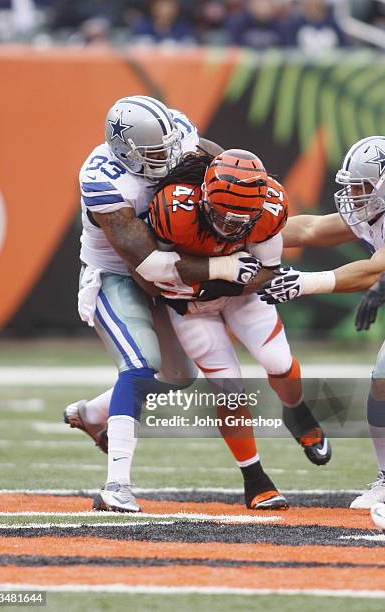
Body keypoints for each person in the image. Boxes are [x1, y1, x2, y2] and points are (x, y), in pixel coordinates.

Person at [65, 94, 258, 512]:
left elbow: (213, 157)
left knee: (178, 377)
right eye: (155, 154)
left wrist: (235, 184)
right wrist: (223, 268)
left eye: (170, 147)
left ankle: (91, 412)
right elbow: (146, 263)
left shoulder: (179, 131)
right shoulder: (102, 179)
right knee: (138, 366)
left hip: (172, 265)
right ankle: (116, 485)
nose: (168, 160)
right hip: (117, 275)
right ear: (125, 152)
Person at [142, 148, 331, 510]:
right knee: (229, 387)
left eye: (240, 220)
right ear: (202, 197)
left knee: (278, 361)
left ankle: (298, 412)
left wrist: (220, 279)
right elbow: (153, 271)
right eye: (221, 216)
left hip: (240, 296)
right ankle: (254, 478)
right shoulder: (173, 209)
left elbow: (267, 271)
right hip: (192, 307)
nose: (229, 226)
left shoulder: (270, 209)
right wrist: (222, 269)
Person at [258, 135, 385, 509]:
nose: (355, 195)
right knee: (381, 381)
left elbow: (373, 270)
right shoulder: (372, 211)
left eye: (362, 187)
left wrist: (304, 283)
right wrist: (245, 233)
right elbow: (310, 229)